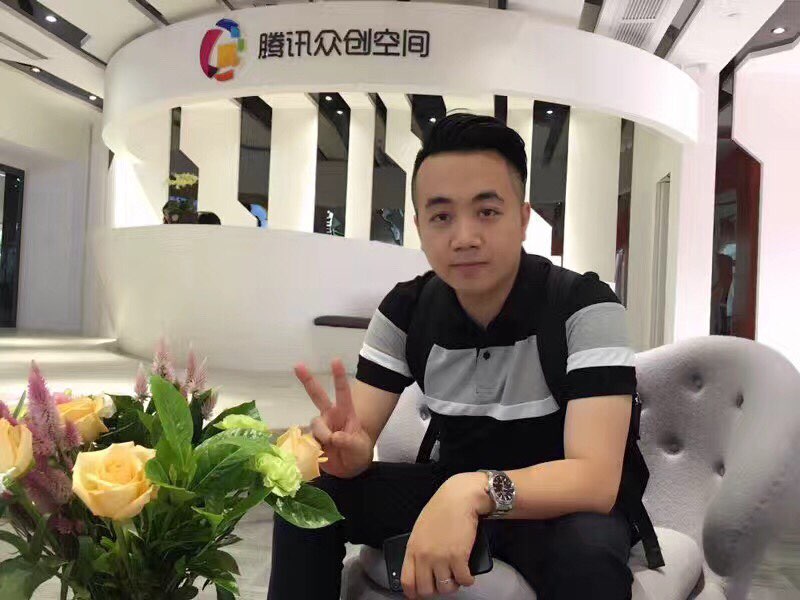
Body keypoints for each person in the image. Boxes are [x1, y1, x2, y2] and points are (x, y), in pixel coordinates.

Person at [268, 114, 653, 600]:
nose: (464, 236)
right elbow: (355, 440)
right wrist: (348, 455)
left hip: (560, 505)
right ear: (419, 227)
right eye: (442, 216)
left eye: (487, 211)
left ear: (523, 219)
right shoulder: (406, 310)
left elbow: (595, 480)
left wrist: (473, 491)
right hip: (452, 487)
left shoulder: (584, 307)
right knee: (308, 500)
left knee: (588, 557)